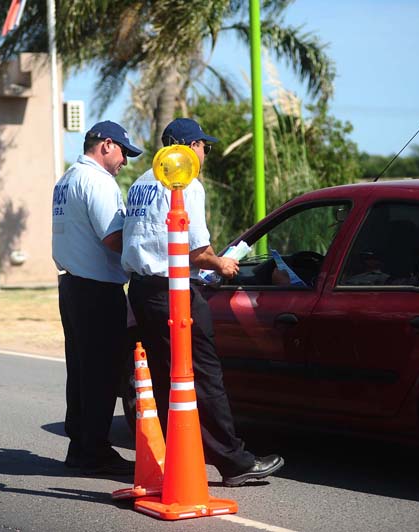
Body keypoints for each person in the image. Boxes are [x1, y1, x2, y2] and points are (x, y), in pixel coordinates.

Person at [122, 117, 284, 487]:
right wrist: (221, 263)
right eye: (204, 147)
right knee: (205, 375)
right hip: (175, 292)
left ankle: (174, 459)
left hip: (143, 290)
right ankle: (234, 461)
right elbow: (196, 251)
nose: (204, 154)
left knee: (166, 377)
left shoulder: (142, 181)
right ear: (190, 147)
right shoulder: (186, 182)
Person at [52, 120, 143, 475]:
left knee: (80, 370)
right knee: (101, 372)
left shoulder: (67, 178)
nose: (125, 162)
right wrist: (147, 252)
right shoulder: (98, 181)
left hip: (72, 286)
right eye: (123, 152)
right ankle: (93, 450)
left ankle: (81, 445)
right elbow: (113, 238)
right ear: (106, 145)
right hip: (97, 290)